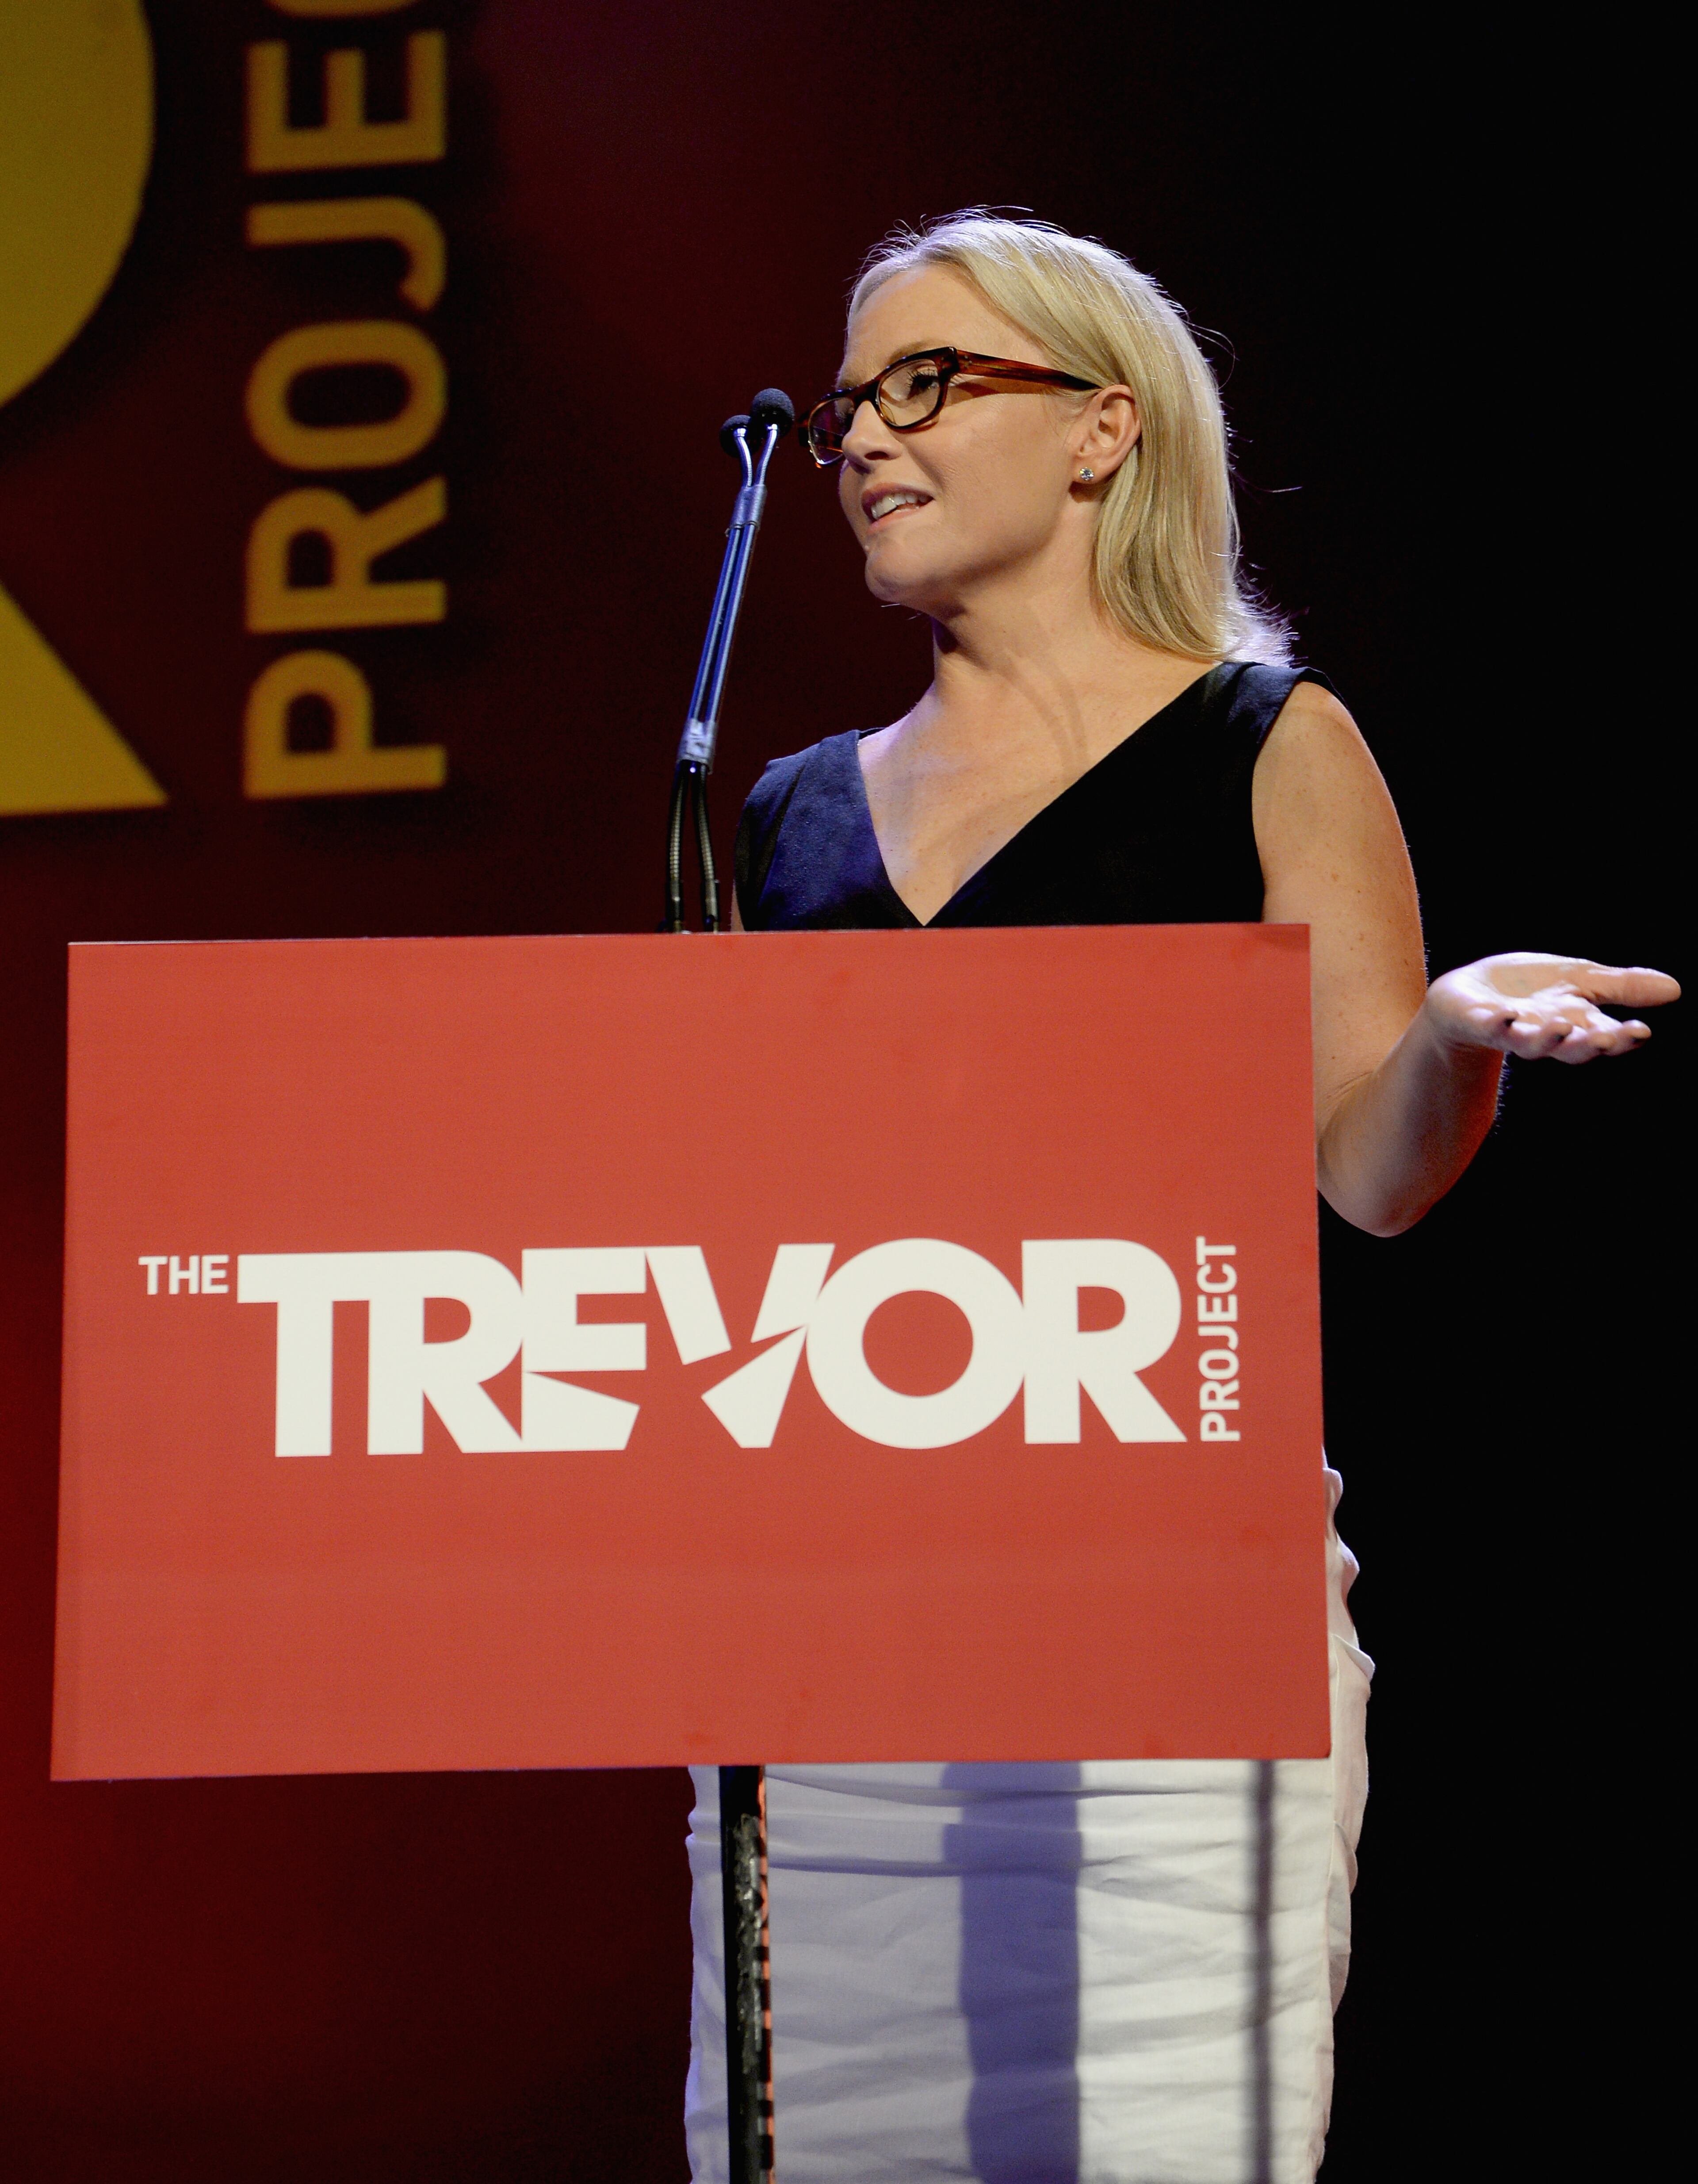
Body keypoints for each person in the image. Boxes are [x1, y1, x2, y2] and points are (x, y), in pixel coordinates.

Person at [684, 213, 1677, 2184]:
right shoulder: (787, 807)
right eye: (848, 402)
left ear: (1099, 429)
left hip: (1167, 1641)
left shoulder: (1263, 743)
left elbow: (1370, 1177)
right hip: (830, 1673)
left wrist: (1453, 1036)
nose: (863, 434)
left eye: (924, 381)